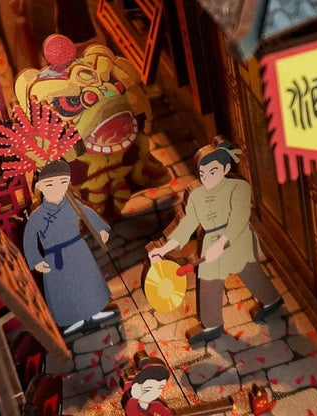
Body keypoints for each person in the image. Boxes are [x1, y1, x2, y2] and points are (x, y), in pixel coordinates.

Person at [149, 137, 283, 345]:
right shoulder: (196, 195)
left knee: (249, 270)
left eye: (212, 172)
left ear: (225, 168)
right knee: (209, 281)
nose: (207, 179)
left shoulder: (239, 187)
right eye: (202, 174)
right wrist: (164, 248)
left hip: (237, 239)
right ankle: (212, 324)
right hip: (210, 241)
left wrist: (221, 244)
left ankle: (271, 300)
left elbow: (239, 218)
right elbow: (188, 224)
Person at [23, 160, 116, 336]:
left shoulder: (72, 205)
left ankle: (94, 311)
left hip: (78, 250)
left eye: (62, 182)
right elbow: (29, 238)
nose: (57, 188)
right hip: (55, 259)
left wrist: (101, 229)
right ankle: (73, 320)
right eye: (50, 184)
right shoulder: (37, 216)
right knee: (65, 288)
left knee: (87, 281)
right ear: (40, 187)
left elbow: (87, 213)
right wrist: (36, 259)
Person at [122, 352, 173, 416]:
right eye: (147, 389)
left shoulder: (156, 405)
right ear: (135, 387)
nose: (154, 393)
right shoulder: (131, 404)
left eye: (159, 387)